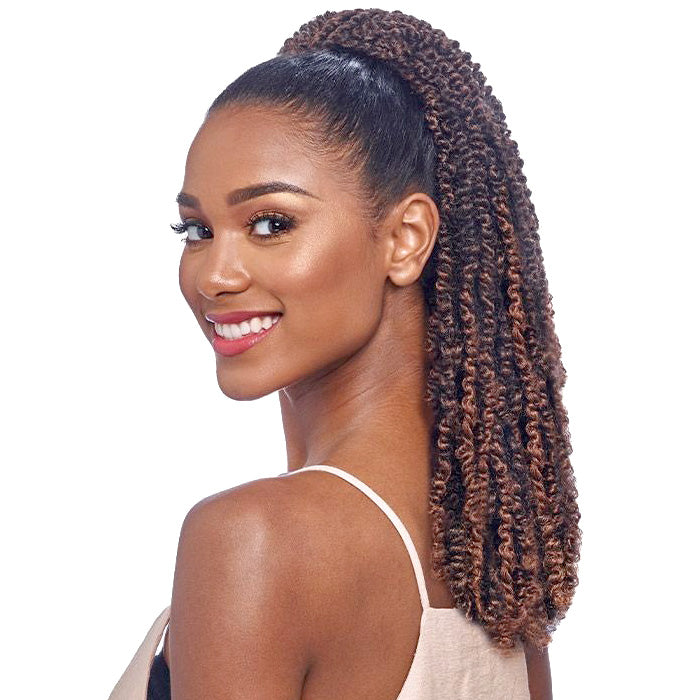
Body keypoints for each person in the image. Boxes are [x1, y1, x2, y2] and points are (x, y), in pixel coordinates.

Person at [109, 8, 581, 700]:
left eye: (270, 223)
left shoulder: (254, 541)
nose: (214, 275)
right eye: (197, 230)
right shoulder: (495, 568)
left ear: (405, 239)